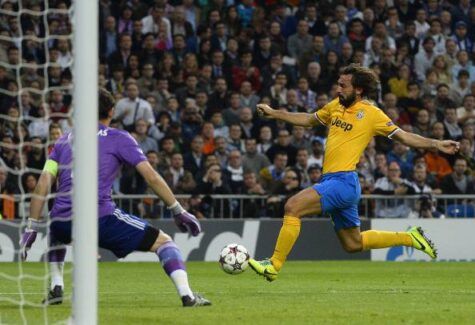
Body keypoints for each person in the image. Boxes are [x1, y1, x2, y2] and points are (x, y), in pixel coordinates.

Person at [249, 64, 460, 282]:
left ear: (358, 89)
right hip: (337, 182)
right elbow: (309, 120)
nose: (338, 89)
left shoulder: (371, 114)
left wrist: (436, 144)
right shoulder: (335, 106)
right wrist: (275, 113)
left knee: (292, 207)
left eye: (343, 85)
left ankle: (273, 264)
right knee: (353, 244)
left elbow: (404, 136)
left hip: (343, 181)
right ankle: (410, 238)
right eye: (338, 84)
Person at [19, 89, 211, 307]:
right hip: (99, 219)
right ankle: (188, 296)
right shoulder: (119, 138)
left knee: (58, 226)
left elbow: (44, 181)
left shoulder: (64, 140)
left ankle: (56, 287)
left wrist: (32, 227)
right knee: (165, 242)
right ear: (111, 111)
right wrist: (178, 209)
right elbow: (151, 176)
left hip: (62, 221)